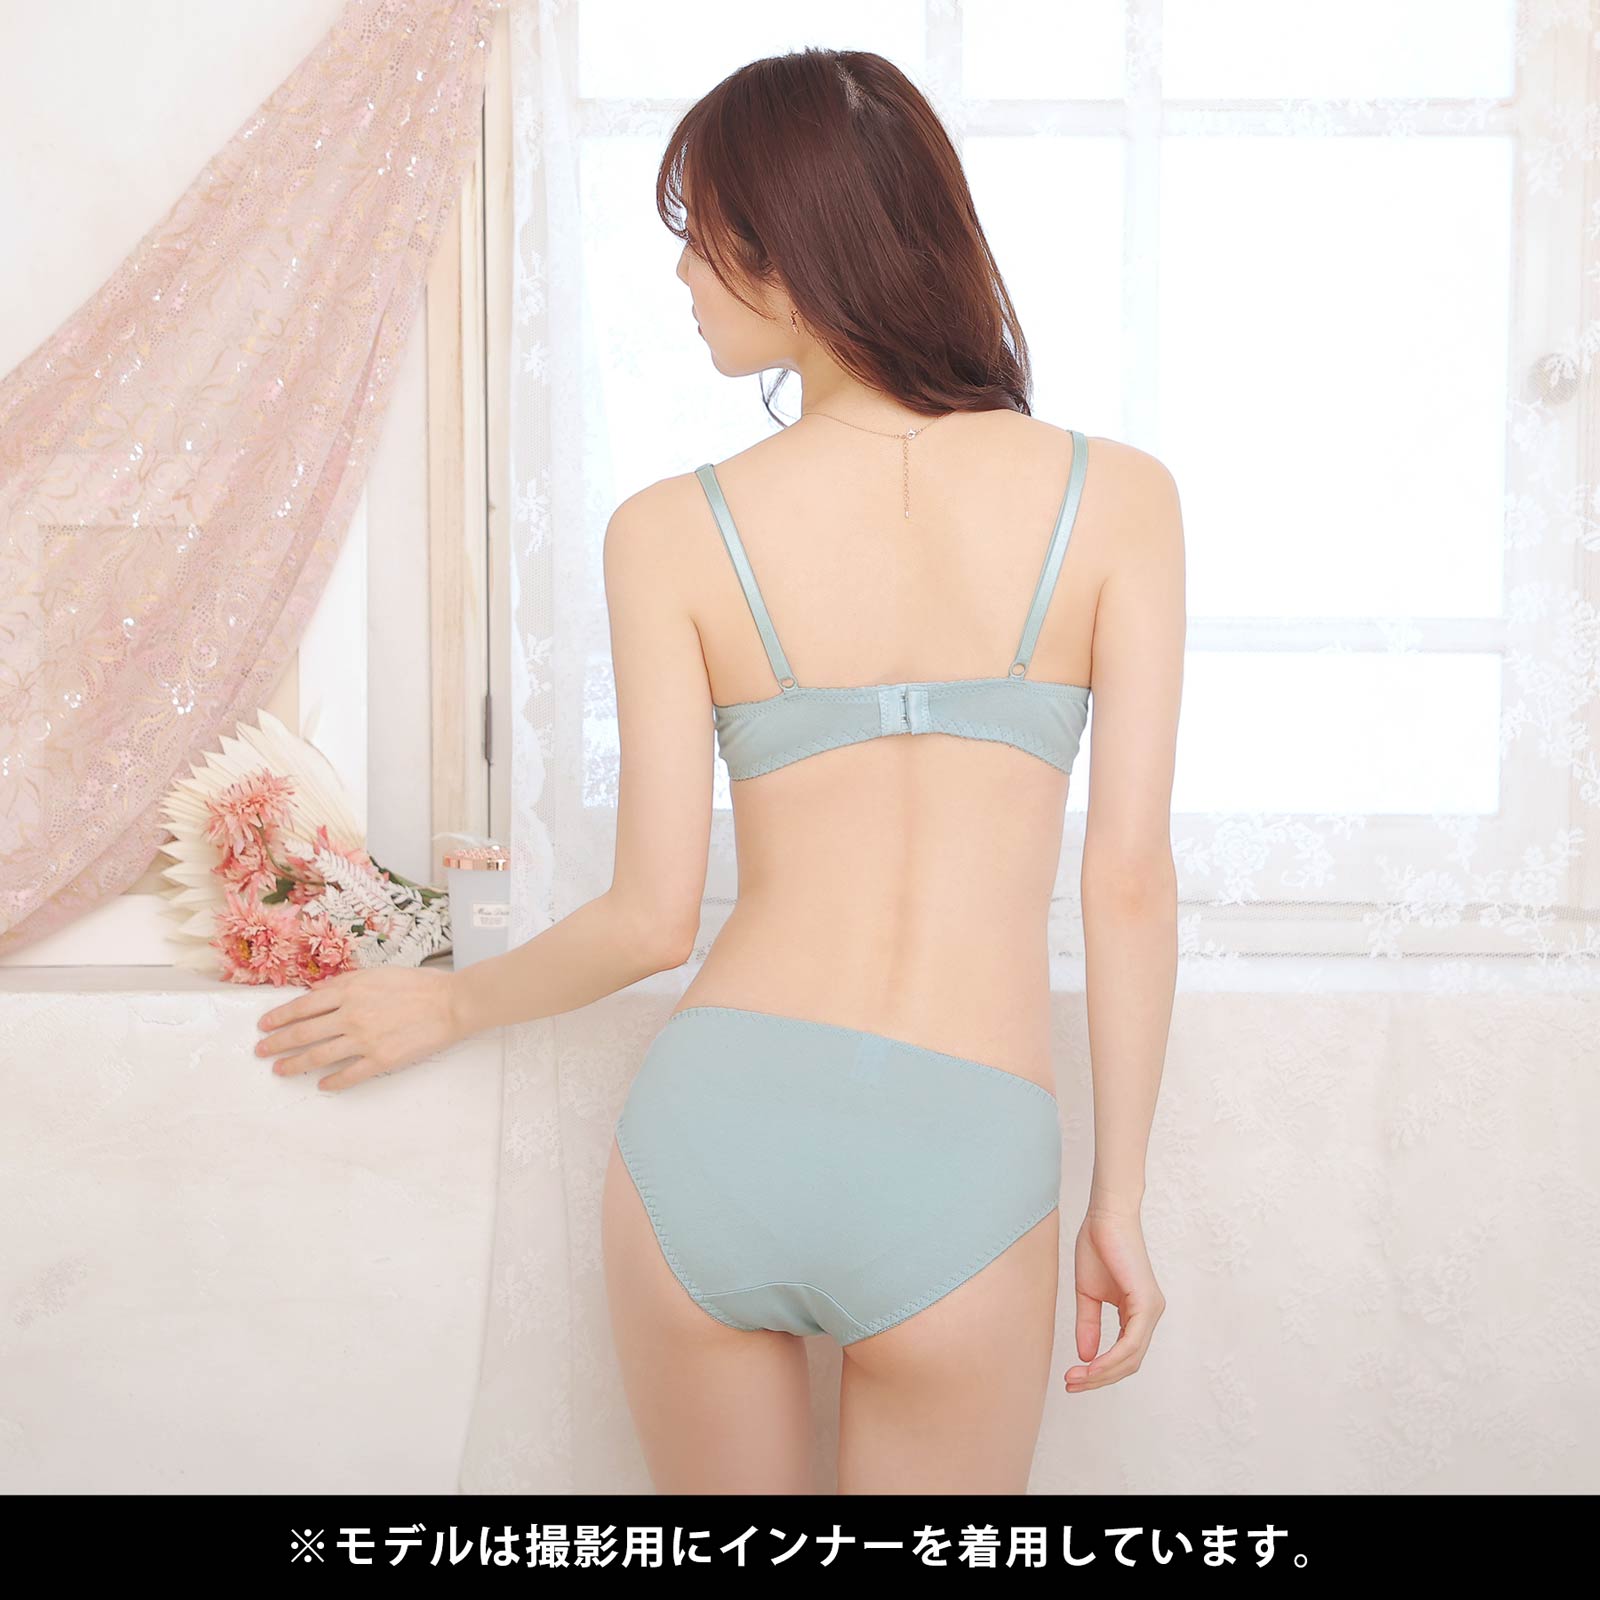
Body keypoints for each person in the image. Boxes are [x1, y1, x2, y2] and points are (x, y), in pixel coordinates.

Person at [254, 47, 1184, 1496]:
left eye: (705, 236)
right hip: (963, 1144)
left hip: (717, 1129)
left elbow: (650, 921)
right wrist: (1118, 1199)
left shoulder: (671, 531)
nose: (683, 274)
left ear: (798, 251)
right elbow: (1125, 881)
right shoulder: (1117, 500)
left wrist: (450, 1002)